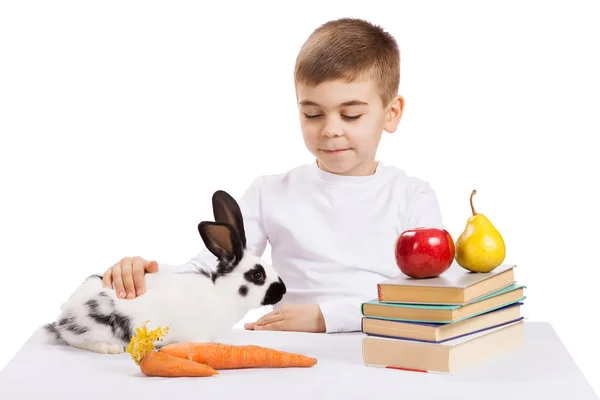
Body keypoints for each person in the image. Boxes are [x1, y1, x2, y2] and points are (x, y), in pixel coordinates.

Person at [101, 17, 444, 334]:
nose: (330, 130)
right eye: (312, 114)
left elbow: (426, 301)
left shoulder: (412, 197)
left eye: (351, 115)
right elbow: (213, 270)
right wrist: (149, 274)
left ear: (392, 113)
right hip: (289, 351)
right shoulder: (271, 193)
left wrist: (327, 317)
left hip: (381, 346)